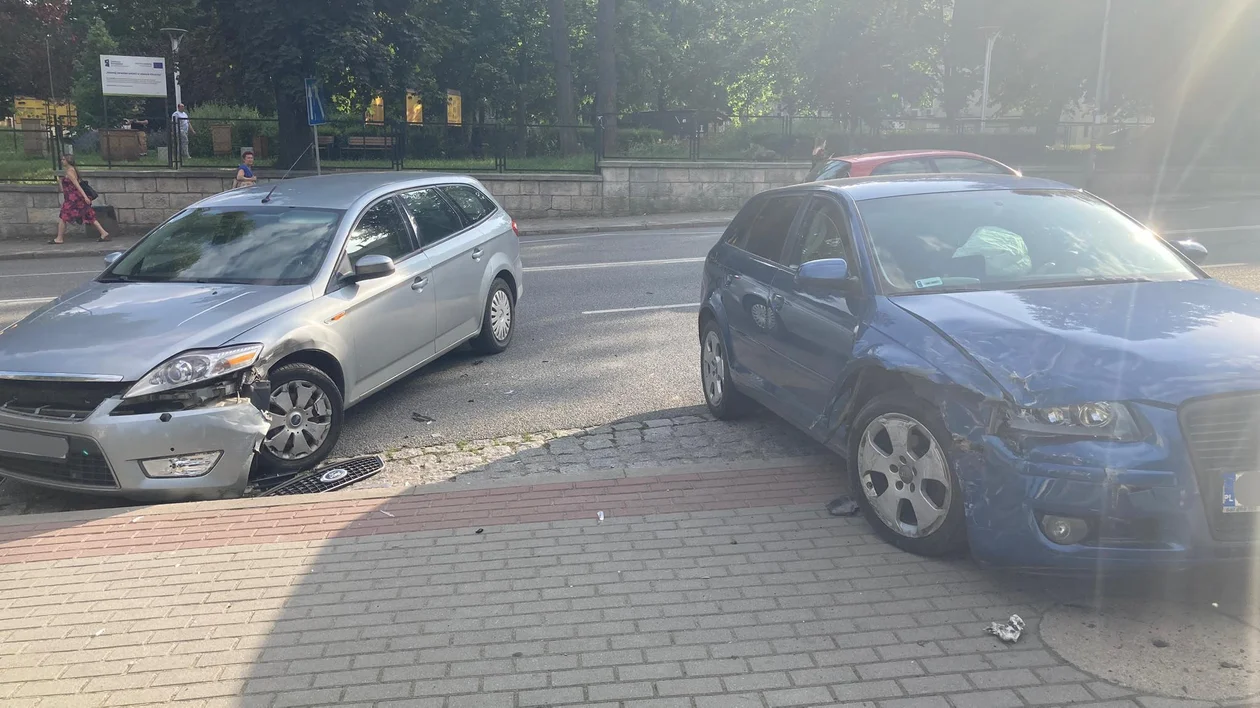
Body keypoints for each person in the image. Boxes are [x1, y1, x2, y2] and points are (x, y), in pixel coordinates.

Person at [49, 155, 109, 245]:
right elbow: (66, 188)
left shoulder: (70, 171)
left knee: (63, 217)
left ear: (68, 161)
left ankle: (59, 238)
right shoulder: (72, 170)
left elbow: (77, 185)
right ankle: (103, 233)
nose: (62, 161)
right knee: (88, 215)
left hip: (73, 199)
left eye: (63, 159)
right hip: (73, 198)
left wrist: (85, 197)